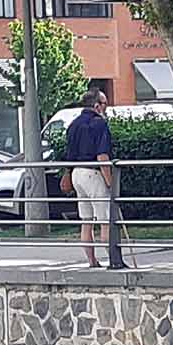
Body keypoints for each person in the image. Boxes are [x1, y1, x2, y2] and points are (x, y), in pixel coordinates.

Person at [65, 89, 113, 268]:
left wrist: (69, 174)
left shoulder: (73, 124)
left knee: (86, 220)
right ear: (96, 106)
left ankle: (92, 261)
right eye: (104, 104)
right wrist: (110, 181)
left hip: (77, 173)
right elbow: (102, 156)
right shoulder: (99, 123)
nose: (106, 108)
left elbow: (69, 154)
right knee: (105, 220)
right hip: (93, 173)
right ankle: (114, 260)